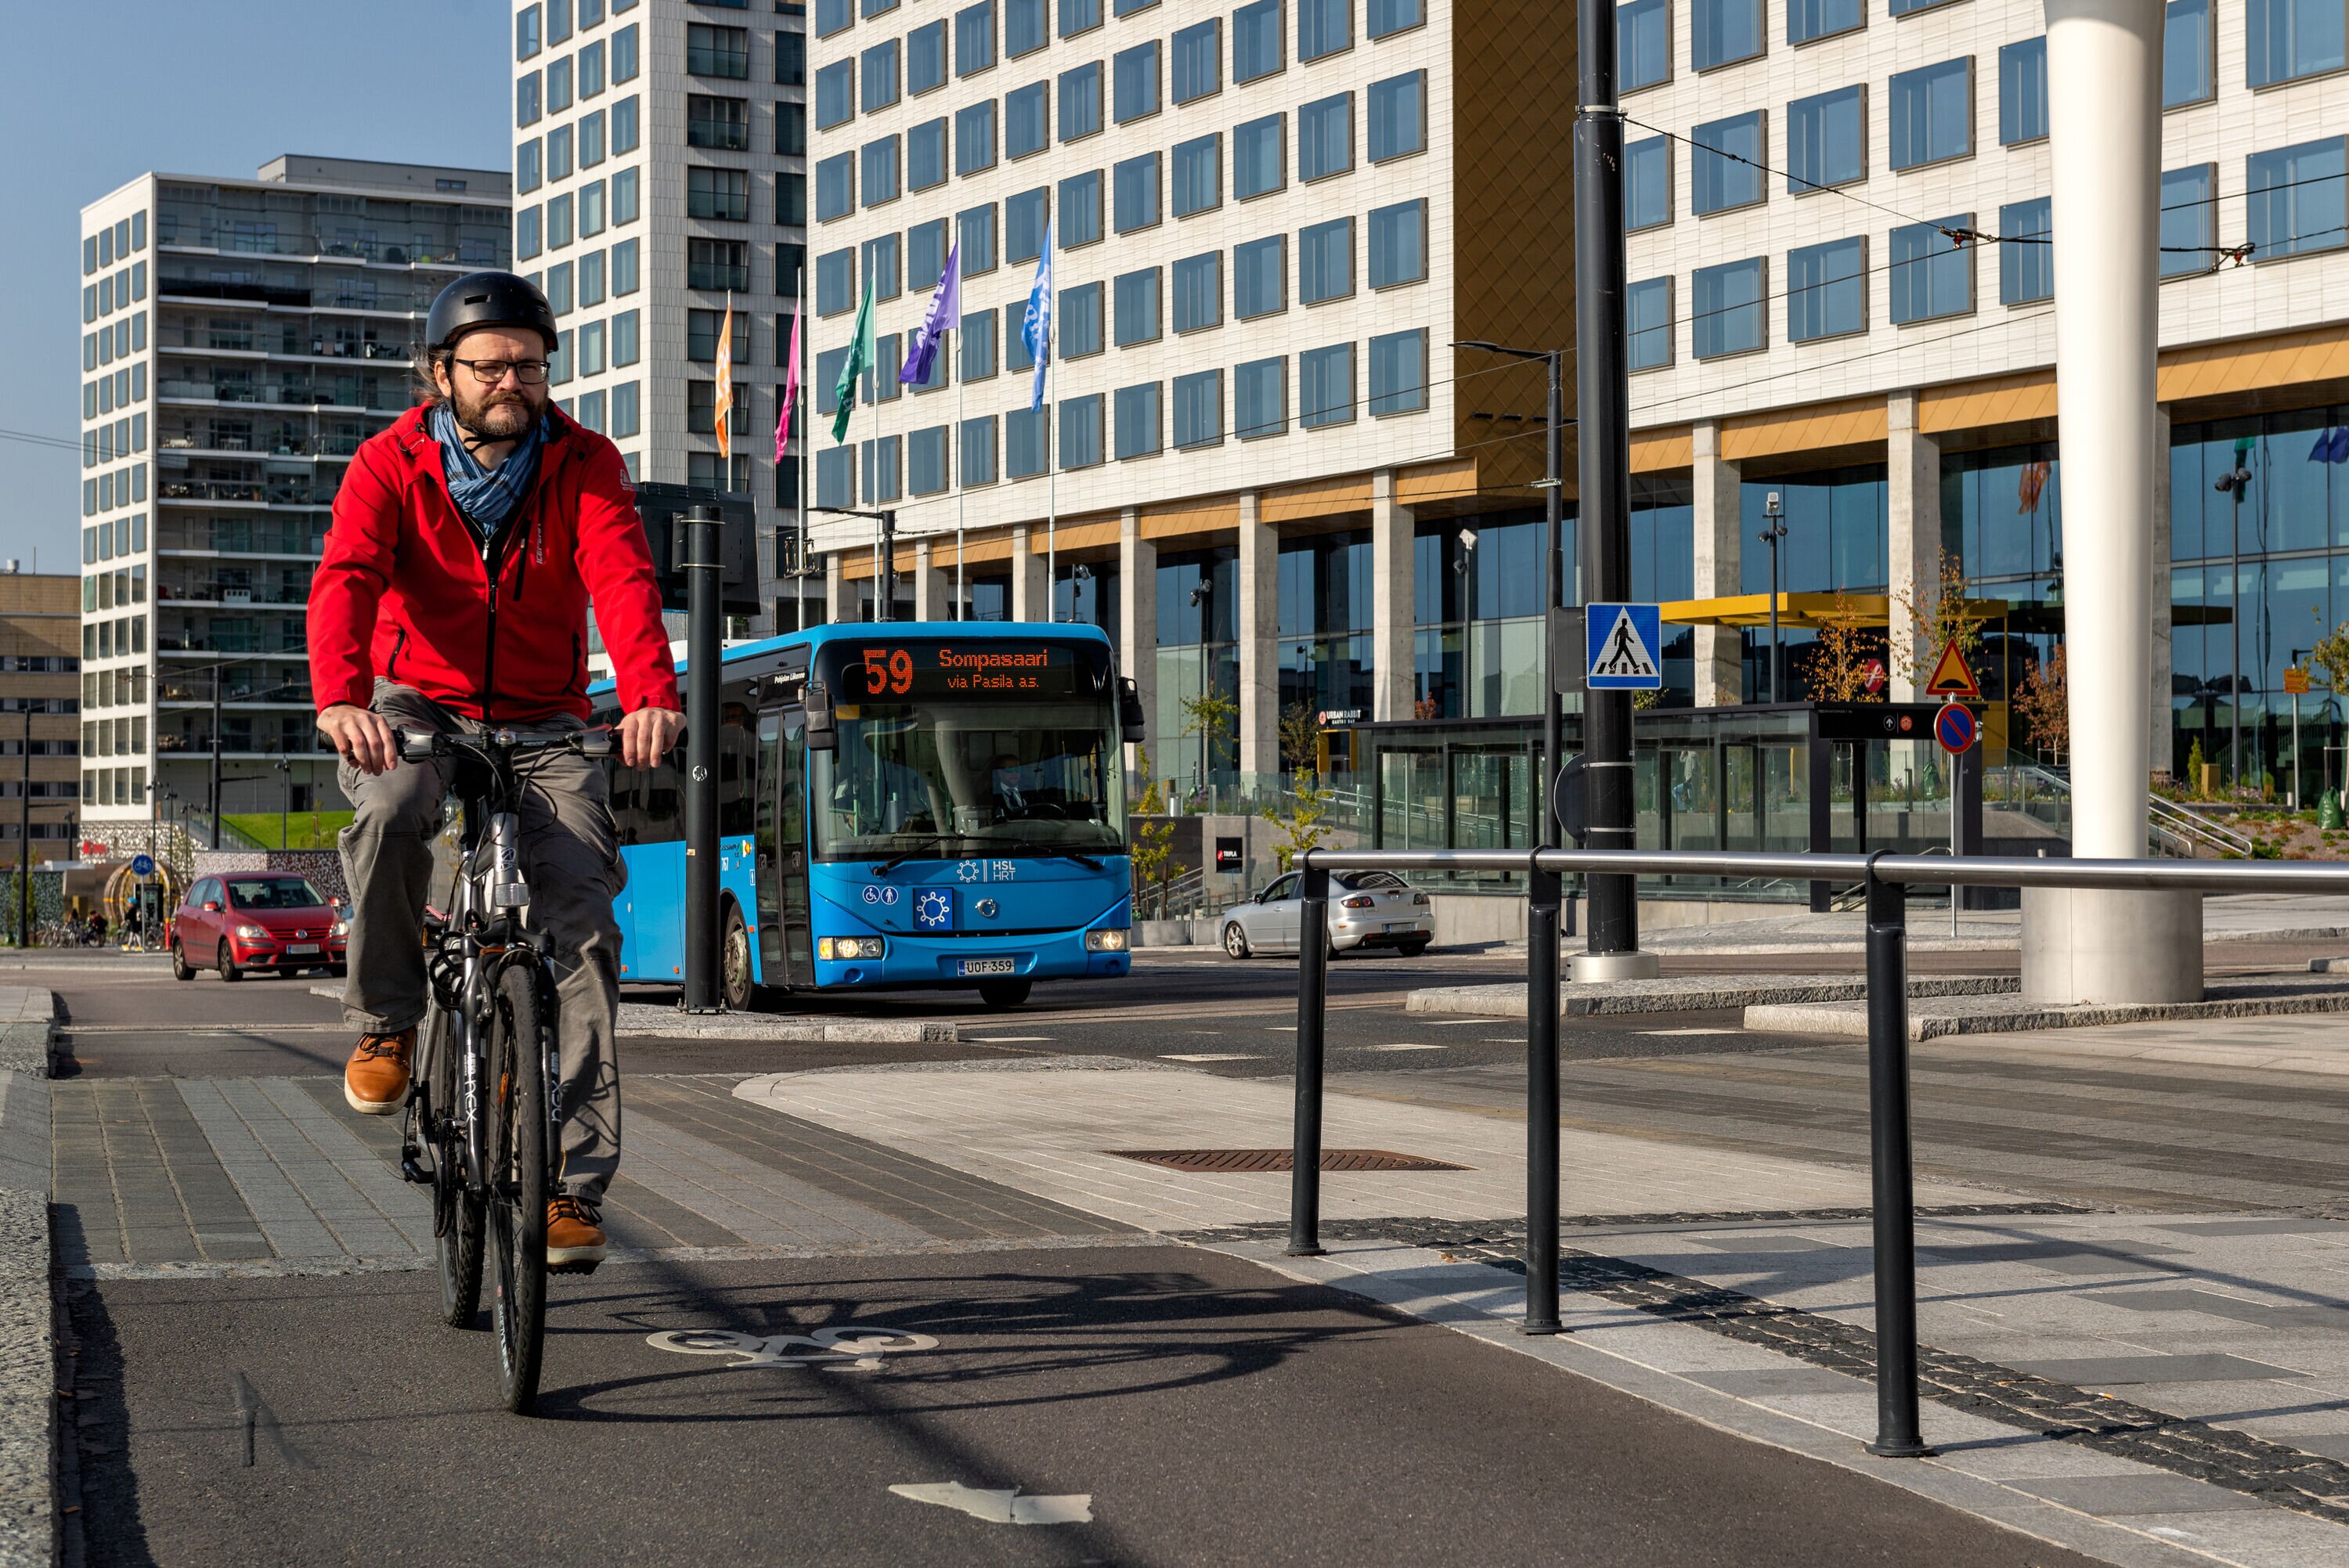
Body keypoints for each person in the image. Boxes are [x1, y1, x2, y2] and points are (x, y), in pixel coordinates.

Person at [308, 272, 684, 1271]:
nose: (512, 379)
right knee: (391, 810)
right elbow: (347, 574)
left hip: (548, 716)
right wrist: (343, 693)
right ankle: (387, 1021)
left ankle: (570, 1183)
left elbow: (622, 576)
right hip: (417, 700)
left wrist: (649, 688)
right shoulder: (389, 464)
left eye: (529, 362)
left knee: (583, 924)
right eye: (490, 364)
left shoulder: (585, 463)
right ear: (442, 375)